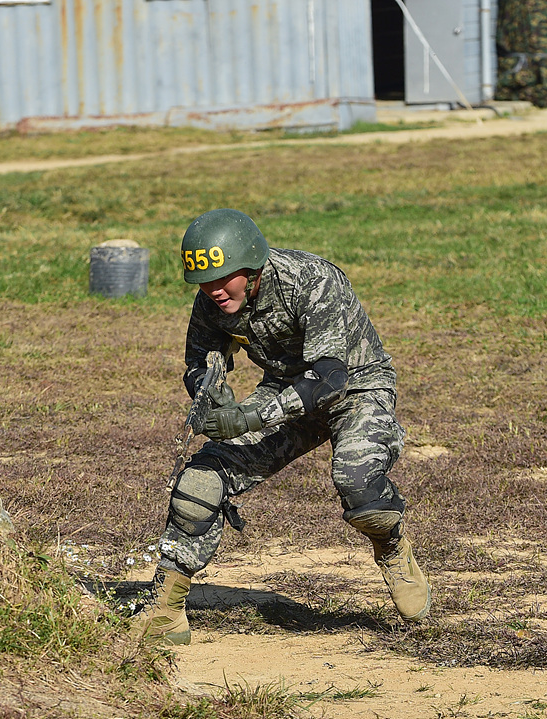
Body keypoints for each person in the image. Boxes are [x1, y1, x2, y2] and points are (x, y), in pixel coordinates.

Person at [133, 208, 431, 646]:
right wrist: (209, 390)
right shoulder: (213, 300)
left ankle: (392, 547)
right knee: (199, 485)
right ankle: (164, 615)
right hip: (284, 390)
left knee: (359, 485)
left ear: (251, 266)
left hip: (357, 388)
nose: (214, 291)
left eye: (223, 278)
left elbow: (330, 379)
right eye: (204, 282)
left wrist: (251, 416)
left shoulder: (311, 281)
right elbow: (196, 360)